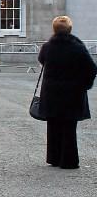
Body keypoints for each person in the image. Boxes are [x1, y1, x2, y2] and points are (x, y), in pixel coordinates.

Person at [36, 16, 96, 169]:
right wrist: (85, 85)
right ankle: (68, 160)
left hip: (51, 92)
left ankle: (54, 157)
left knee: (53, 125)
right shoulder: (78, 47)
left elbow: (42, 60)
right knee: (69, 128)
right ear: (70, 29)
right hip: (72, 92)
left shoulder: (47, 47)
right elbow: (91, 68)